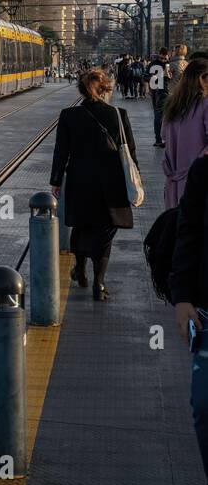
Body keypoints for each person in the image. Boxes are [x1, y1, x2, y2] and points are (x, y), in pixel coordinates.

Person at [50, 68, 139, 302]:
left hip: (80, 180)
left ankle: (79, 269)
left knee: (81, 225)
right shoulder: (119, 114)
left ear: (81, 89)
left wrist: (56, 181)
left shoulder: (68, 116)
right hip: (112, 182)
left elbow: (61, 152)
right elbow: (130, 152)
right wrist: (135, 179)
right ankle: (99, 284)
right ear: (107, 88)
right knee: (106, 230)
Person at [164, 156, 208, 485]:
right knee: (204, 407)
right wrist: (181, 297)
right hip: (206, 312)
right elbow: (188, 232)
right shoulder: (204, 171)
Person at [161, 58, 208, 208]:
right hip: (198, 182)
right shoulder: (205, 104)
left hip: (173, 180)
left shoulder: (173, 104)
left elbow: (164, 137)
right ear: (202, 79)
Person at [151, 47, 171, 148]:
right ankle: (160, 139)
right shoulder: (155, 64)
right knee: (159, 117)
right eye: (162, 58)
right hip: (160, 93)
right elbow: (148, 77)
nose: (163, 60)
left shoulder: (171, 64)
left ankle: (161, 139)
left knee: (163, 117)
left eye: (165, 58)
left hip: (164, 93)